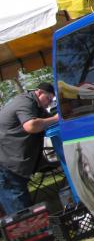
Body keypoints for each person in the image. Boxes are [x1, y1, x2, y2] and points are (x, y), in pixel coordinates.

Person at [0, 82, 58, 215]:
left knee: (23, 204)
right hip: (6, 164)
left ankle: (34, 225)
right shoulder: (25, 101)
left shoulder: (37, 106)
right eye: (48, 99)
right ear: (39, 92)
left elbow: (47, 119)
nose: (49, 103)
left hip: (14, 162)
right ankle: (28, 226)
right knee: (19, 209)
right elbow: (31, 126)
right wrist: (56, 118)